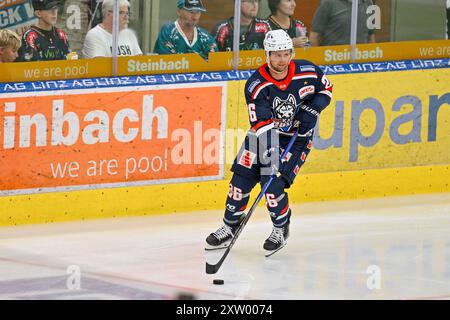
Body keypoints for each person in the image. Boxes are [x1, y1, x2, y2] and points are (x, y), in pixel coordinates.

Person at [205, 30, 333, 256]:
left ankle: (280, 228)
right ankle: (229, 225)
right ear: (267, 55)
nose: (281, 60)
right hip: (262, 137)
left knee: (272, 185)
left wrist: (313, 108)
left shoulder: (307, 71)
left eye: (285, 54)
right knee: (239, 182)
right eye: (276, 55)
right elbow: (262, 125)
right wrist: (271, 155)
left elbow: (326, 89)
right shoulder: (256, 84)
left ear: (291, 53)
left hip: (297, 140)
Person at [310, 0, 376, 46]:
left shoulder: (368, 3)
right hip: (333, 58)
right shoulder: (328, 2)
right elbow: (315, 36)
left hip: (361, 58)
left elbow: (371, 35)